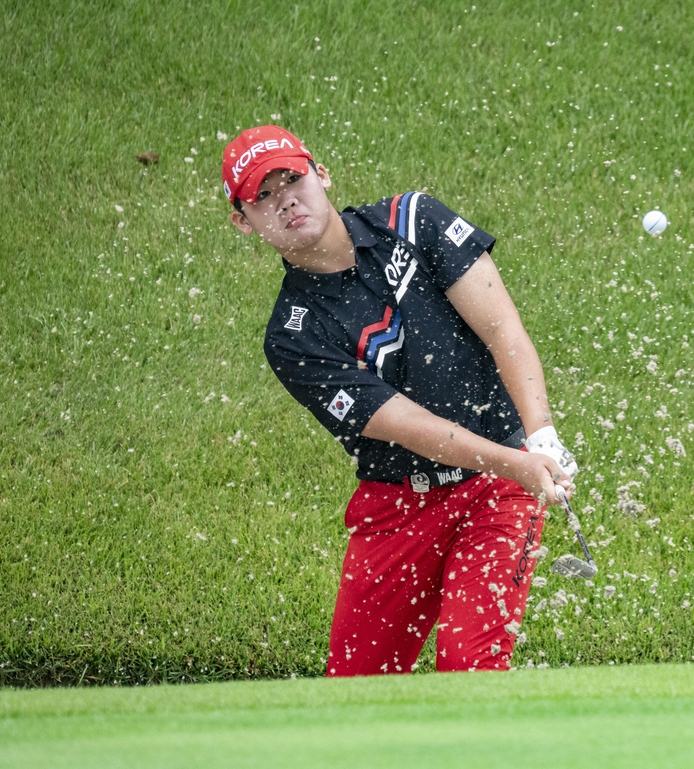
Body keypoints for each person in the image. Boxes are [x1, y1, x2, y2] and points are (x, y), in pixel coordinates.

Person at [221, 126, 579, 676]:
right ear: (243, 222)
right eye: (262, 196)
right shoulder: (293, 337)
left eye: (291, 179)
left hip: (496, 493)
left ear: (321, 175)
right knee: (356, 686)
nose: (285, 200)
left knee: (469, 666)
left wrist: (541, 435)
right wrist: (520, 463)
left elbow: (503, 328)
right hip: (397, 508)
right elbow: (408, 425)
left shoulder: (413, 220)